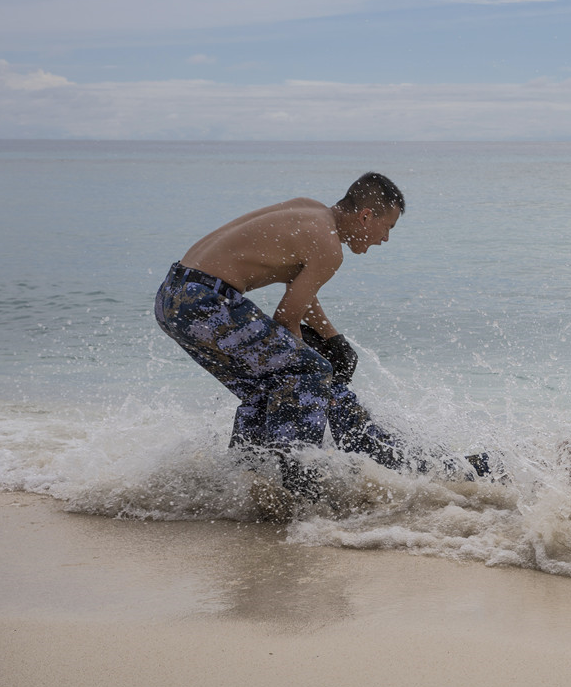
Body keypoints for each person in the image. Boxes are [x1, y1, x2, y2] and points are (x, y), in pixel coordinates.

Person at [155, 172, 422, 501]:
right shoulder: (330, 248)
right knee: (309, 372)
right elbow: (286, 319)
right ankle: (298, 487)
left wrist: (331, 337)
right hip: (206, 300)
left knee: (264, 392)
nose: (385, 239)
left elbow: (298, 287)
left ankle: (243, 485)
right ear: (366, 216)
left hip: (175, 295)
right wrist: (317, 363)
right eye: (388, 227)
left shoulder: (312, 212)